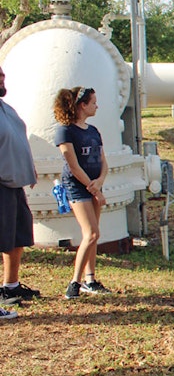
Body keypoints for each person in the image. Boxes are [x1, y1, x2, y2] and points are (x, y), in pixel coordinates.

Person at [53, 87, 111, 299]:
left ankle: (90, 279)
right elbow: (73, 165)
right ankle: (74, 283)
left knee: (94, 234)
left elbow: (104, 161)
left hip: (95, 185)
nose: (97, 106)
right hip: (78, 187)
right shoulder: (65, 131)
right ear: (82, 105)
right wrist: (93, 188)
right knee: (92, 233)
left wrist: (100, 182)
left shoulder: (93, 131)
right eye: (93, 102)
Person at [0, 65, 38, 319]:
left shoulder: (7, 109)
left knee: (17, 238)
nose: (2, 78)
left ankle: (10, 286)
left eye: (2, 74)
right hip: (1, 184)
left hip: (15, 185)